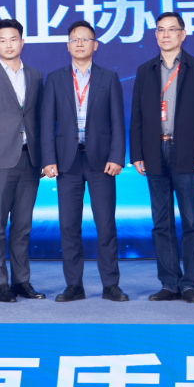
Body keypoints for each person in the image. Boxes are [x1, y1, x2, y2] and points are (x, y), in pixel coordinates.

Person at [129, 11, 194, 303]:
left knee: (191, 221)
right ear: (155, 35)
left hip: (187, 152)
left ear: (183, 34)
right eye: (161, 30)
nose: (166, 35)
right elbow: (136, 115)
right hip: (154, 151)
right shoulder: (145, 70)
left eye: (172, 29)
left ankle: (189, 284)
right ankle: (169, 283)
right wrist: (137, 153)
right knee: (161, 222)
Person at [40, 20, 128, 303]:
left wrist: (117, 157)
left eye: (85, 39)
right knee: (69, 226)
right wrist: (48, 159)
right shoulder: (55, 78)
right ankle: (74, 285)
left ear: (95, 45)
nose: (79, 43)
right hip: (67, 162)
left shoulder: (108, 77)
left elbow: (118, 122)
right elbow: (46, 123)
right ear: (67, 46)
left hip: (101, 162)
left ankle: (111, 285)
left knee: (106, 225)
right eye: (74, 39)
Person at [0, 18, 46, 302]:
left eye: (13, 39)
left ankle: (21, 280)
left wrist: (44, 158)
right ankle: (0, 283)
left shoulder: (35, 75)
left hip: (30, 160)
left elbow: (40, 119)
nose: (8, 44)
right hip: (1, 161)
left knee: (23, 225)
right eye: (2, 40)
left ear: (22, 42)